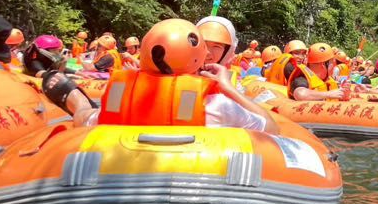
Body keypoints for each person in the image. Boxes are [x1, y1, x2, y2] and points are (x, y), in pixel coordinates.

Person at [97, 18, 277, 133]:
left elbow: (87, 118)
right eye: (205, 45)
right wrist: (228, 89)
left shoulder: (120, 94)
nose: (209, 53)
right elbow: (270, 128)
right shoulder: (219, 105)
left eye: (217, 46)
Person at [23, 35, 97, 123]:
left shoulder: (45, 57)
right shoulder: (34, 63)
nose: (58, 52)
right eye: (54, 50)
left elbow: (55, 68)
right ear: (43, 51)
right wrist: (67, 75)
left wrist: (77, 73)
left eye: (58, 50)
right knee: (62, 82)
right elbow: (46, 75)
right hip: (42, 85)